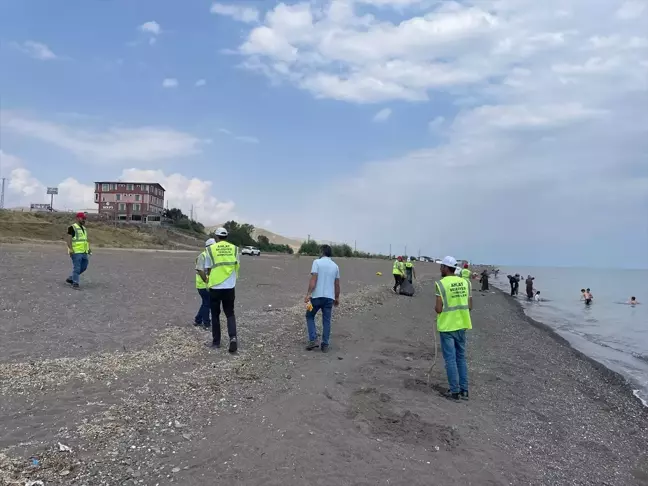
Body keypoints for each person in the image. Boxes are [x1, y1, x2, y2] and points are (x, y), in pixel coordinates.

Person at [435, 256, 472, 401]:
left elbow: (438, 308)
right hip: (462, 324)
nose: (440, 269)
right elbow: (470, 306)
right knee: (461, 358)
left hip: (447, 326)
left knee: (450, 359)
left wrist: (439, 308)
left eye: (441, 266)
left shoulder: (441, 284)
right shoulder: (466, 282)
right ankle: (464, 391)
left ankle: (455, 392)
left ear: (445, 268)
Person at [204, 227, 240, 353]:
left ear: (217, 236)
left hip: (215, 286)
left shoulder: (210, 249)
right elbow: (237, 266)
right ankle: (233, 338)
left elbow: (207, 268)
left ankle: (216, 342)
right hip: (230, 286)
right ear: (227, 236)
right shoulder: (235, 249)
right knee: (230, 313)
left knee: (215, 315)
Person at [304, 244, 341, 353]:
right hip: (329, 298)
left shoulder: (317, 262)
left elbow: (313, 280)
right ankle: (325, 344)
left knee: (309, 315)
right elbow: (337, 284)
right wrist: (337, 297)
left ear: (322, 252)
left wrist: (308, 294)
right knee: (327, 321)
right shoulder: (335, 266)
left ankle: (313, 339)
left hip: (316, 297)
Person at [65, 212, 91, 289]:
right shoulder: (72, 227)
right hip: (76, 252)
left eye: (85, 219)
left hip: (84, 251)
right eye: (83, 218)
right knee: (77, 267)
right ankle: (75, 283)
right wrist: (70, 249)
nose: (84, 220)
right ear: (77, 218)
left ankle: (71, 278)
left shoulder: (84, 228)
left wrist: (88, 249)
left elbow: (85, 240)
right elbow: (68, 239)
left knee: (84, 267)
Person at [194, 238, 215, 329]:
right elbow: (200, 270)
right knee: (207, 304)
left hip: (206, 284)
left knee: (205, 303)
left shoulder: (209, 256)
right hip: (203, 285)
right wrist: (206, 280)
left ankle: (198, 320)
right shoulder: (203, 256)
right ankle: (206, 323)